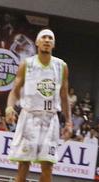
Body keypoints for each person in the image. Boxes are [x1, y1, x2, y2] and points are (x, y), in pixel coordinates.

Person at [6, 30, 73, 182]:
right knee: (23, 165)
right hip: (29, 116)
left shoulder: (61, 66)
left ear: (53, 44)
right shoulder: (27, 64)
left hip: (50, 118)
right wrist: (9, 108)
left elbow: (64, 96)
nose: (47, 40)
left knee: (48, 166)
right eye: (44, 37)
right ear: (37, 42)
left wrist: (69, 122)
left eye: (50, 38)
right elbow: (14, 91)